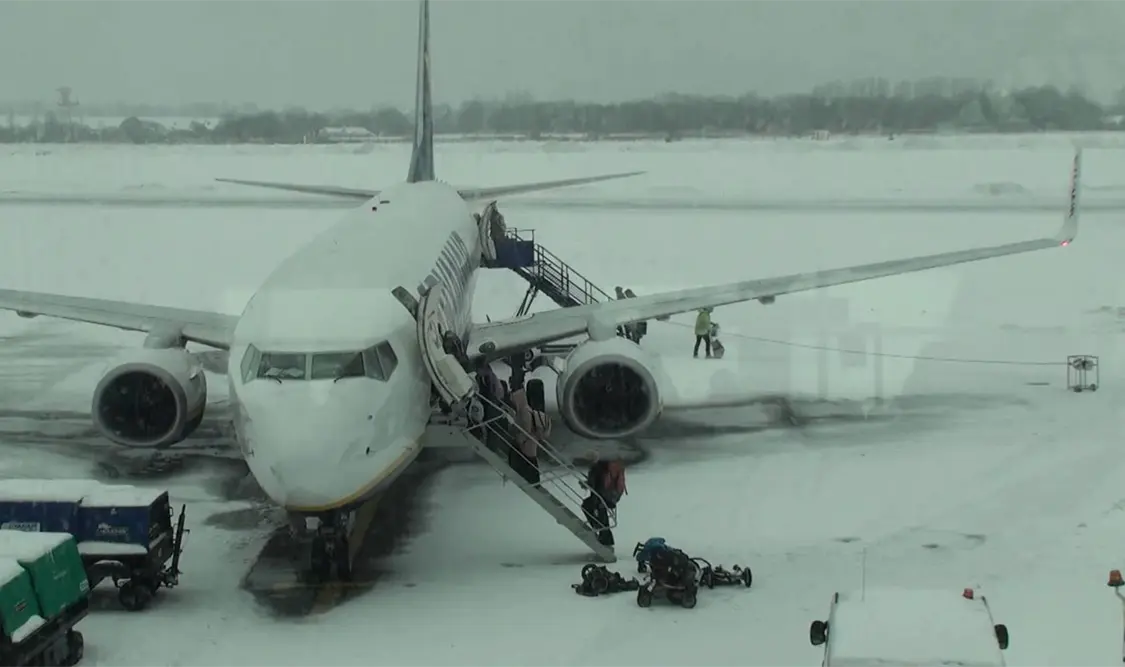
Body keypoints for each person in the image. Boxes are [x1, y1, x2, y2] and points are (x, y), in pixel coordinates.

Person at [508, 374, 550, 485]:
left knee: (528, 462)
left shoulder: (524, 412)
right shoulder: (528, 409)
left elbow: (526, 429)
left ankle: (533, 481)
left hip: (528, 444)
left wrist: (520, 438)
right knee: (531, 462)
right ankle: (534, 481)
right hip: (531, 444)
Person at [581, 454, 627, 546]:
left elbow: (602, 483)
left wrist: (588, 484)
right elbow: (596, 482)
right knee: (590, 506)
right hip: (604, 495)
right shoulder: (600, 468)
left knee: (595, 507)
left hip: (607, 495)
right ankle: (602, 532)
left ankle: (602, 532)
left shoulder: (601, 468)